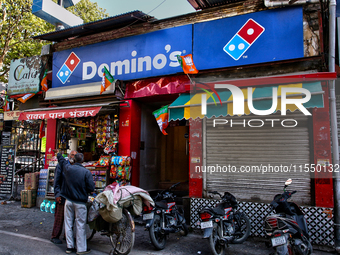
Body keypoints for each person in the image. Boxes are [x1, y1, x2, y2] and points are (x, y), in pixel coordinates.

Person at [54, 149, 95, 255]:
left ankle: (69, 247)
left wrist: (58, 153)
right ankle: (81, 249)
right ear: (83, 161)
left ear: (74, 160)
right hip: (80, 202)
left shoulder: (68, 169)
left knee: (68, 224)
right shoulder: (86, 172)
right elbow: (91, 188)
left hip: (68, 200)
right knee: (80, 225)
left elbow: (61, 161)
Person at [50, 150, 77, 245]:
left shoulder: (75, 167)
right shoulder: (61, 165)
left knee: (70, 217)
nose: (73, 157)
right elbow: (56, 181)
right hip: (62, 194)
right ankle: (55, 236)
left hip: (71, 196)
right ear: (69, 156)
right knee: (59, 217)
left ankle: (67, 236)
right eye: (72, 155)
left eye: (75, 155)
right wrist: (57, 194)